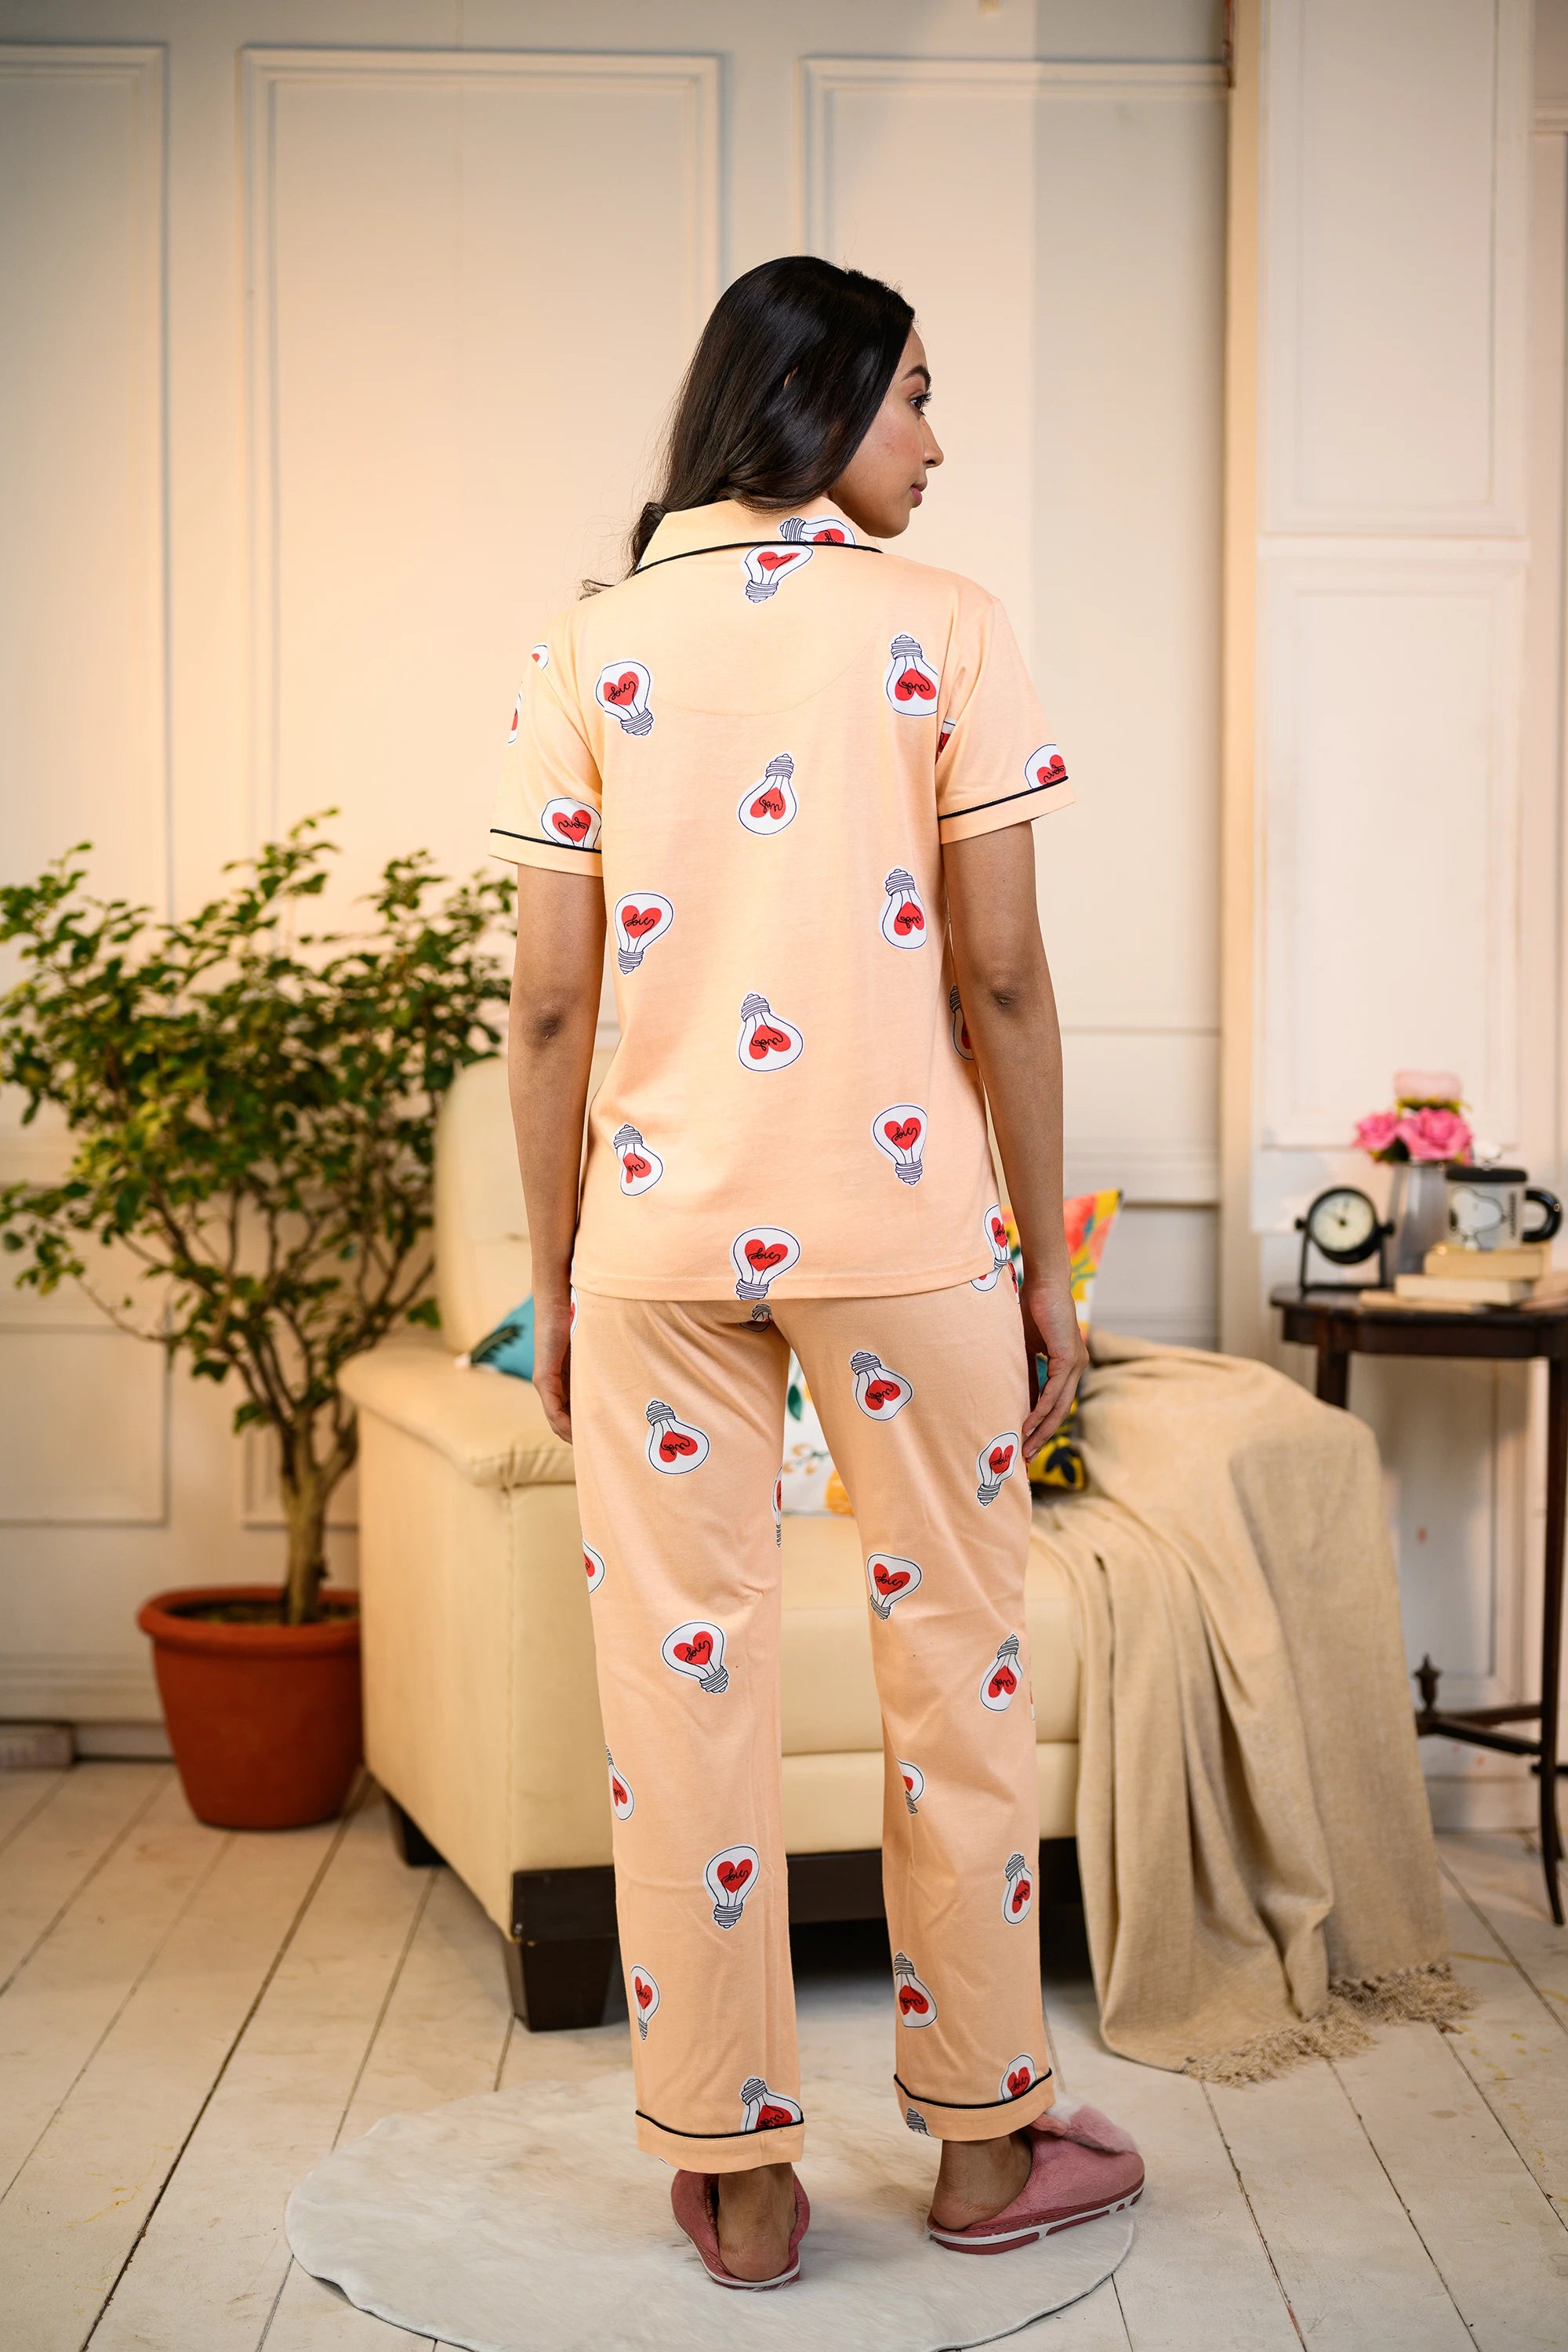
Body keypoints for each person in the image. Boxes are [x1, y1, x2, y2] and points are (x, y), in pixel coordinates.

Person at [495, 255, 1142, 2288]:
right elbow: (1007, 972)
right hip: (902, 1228)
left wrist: (562, 1273)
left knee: (678, 1698)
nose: (940, 444)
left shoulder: (590, 646)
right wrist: (1045, 1267)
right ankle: (979, 2151)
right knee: (958, 1670)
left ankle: (742, 2175)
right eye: (916, 399)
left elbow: (542, 1015)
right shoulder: (945, 630)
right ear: (818, 398)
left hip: (665, 1246)